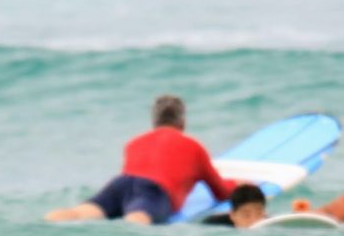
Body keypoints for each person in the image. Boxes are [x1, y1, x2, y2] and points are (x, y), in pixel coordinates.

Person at [44, 95, 238, 225]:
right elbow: (220, 192)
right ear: (183, 122)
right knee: (136, 221)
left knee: (80, 213)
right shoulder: (194, 147)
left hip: (120, 184)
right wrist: (237, 185)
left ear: (154, 122)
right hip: (155, 191)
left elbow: (134, 183)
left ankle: (49, 220)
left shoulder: (134, 143)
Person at [201, 183, 267, 228]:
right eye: (246, 215)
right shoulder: (211, 226)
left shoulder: (271, 223)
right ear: (232, 215)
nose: (254, 221)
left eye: (258, 214)